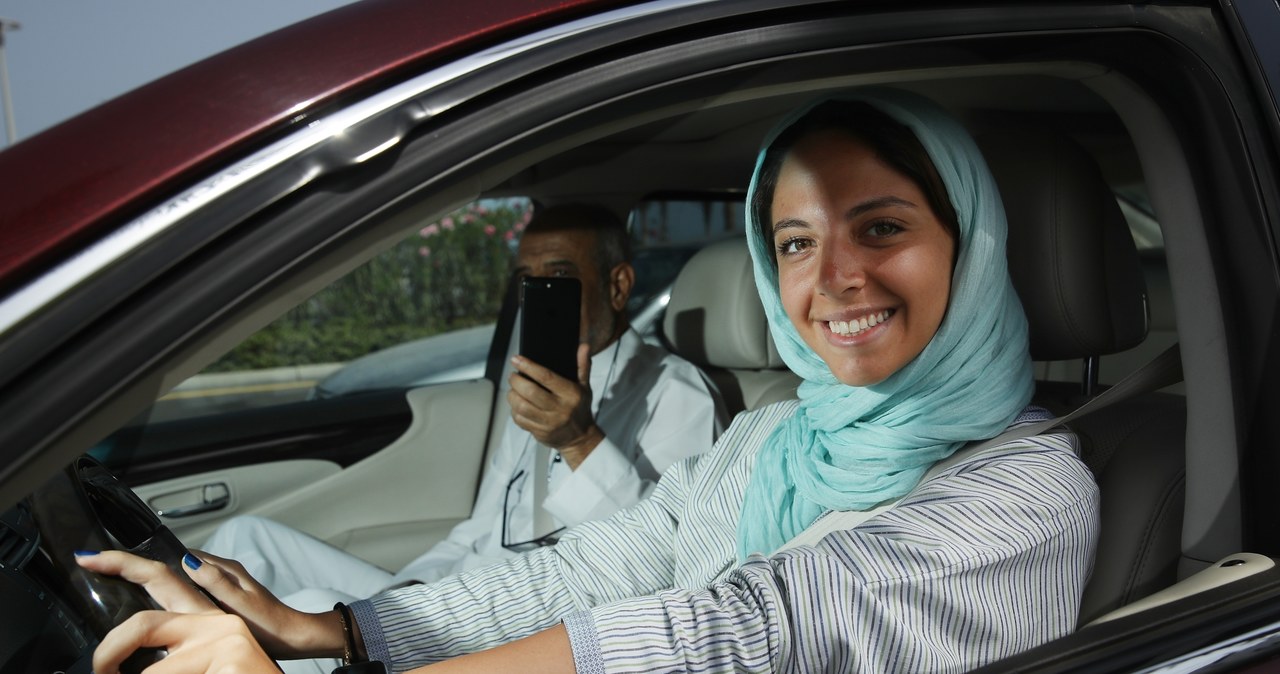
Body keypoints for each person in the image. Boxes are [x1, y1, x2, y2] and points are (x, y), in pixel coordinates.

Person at [78, 89, 1100, 674]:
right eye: (792, 242)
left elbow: (754, 623)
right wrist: (340, 629)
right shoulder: (778, 437)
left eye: (880, 226)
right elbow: (601, 565)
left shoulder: (1031, 491)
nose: (833, 277)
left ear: (968, 245)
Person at [199, 202, 728, 609]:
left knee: (310, 611)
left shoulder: (677, 395)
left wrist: (578, 440)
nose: (537, 294)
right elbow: (480, 529)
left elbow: (670, 562)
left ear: (617, 286)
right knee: (242, 539)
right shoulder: (532, 380)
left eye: (559, 277)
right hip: (463, 597)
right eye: (527, 280)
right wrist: (406, 594)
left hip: (541, 619)